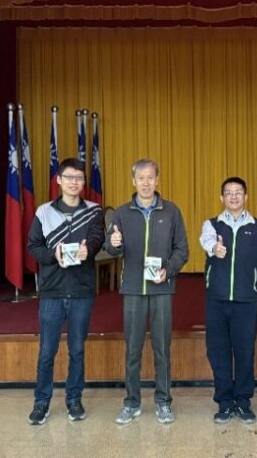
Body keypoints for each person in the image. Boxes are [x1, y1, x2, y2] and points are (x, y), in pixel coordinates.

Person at [107, 159, 189, 425]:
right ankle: (131, 403)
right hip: (133, 290)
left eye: (150, 177)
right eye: (140, 178)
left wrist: (169, 270)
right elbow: (112, 248)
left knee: (162, 348)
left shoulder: (171, 211)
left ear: (157, 180)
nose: (145, 182)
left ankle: (164, 402)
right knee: (132, 349)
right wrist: (114, 243)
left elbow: (182, 249)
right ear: (133, 181)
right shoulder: (121, 213)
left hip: (162, 289)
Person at [26, 158, 105, 425]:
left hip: (81, 291)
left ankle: (74, 399)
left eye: (79, 178)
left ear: (84, 182)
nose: (74, 182)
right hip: (51, 291)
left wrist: (88, 250)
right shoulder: (44, 212)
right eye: (69, 177)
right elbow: (33, 246)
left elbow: (97, 238)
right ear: (59, 180)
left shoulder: (94, 211)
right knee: (47, 350)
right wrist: (53, 254)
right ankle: (41, 402)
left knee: (77, 350)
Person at [199, 176, 257, 424]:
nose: (233, 196)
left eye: (238, 192)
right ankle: (224, 402)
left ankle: (243, 402)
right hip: (216, 300)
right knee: (217, 352)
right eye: (229, 192)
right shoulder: (212, 224)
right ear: (222, 198)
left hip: (246, 301)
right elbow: (205, 239)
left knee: (244, 353)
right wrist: (214, 248)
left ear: (246, 196)